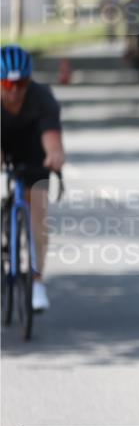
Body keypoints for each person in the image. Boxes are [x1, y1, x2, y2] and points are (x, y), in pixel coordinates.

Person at [0, 45, 66, 312]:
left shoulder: (42, 98)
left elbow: (53, 142)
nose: (14, 90)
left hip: (33, 149)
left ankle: (37, 281)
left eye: (21, 83)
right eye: (7, 83)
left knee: (37, 208)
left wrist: (55, 157)